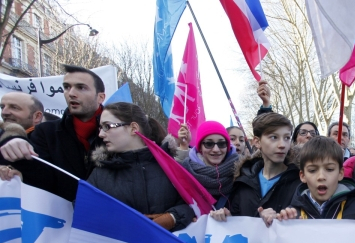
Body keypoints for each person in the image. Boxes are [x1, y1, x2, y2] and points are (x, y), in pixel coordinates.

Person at [0, 65, 105, 201]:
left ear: (100, 97)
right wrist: (14, 145)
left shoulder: (121, 132)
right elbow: (40, 179)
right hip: (60, 219)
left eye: (81, 87)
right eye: (67, 87)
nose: (71, 93)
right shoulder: (45, 132)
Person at [86, 102, 194, 232]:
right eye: (101, 128)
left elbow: (192, 205)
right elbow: (84, 210)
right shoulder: (99, 175)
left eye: (107, 126)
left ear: (133, 128)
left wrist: (172, 218)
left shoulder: (169, 167)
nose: (101, 134)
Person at [269, 136, 355, 228]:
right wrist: (274, 221)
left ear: (341, 173)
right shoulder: (292, 213)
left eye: (329, 169)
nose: (321, 177)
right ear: (302, 175)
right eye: (312, 170)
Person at [210, 112, 300, 220]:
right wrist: (227, 218)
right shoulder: (243, 181)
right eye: (274, 137)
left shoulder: (300, 182)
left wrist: (283, 218)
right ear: (257, 142)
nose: (282, 145)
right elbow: (238, 221)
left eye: (287, 138)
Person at [177, 121, 239, 209]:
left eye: (221, 144)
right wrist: (183, 146)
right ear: (200, 148)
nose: (216, 149)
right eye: (209, 144)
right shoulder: (188, 172)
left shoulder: (242, 170)